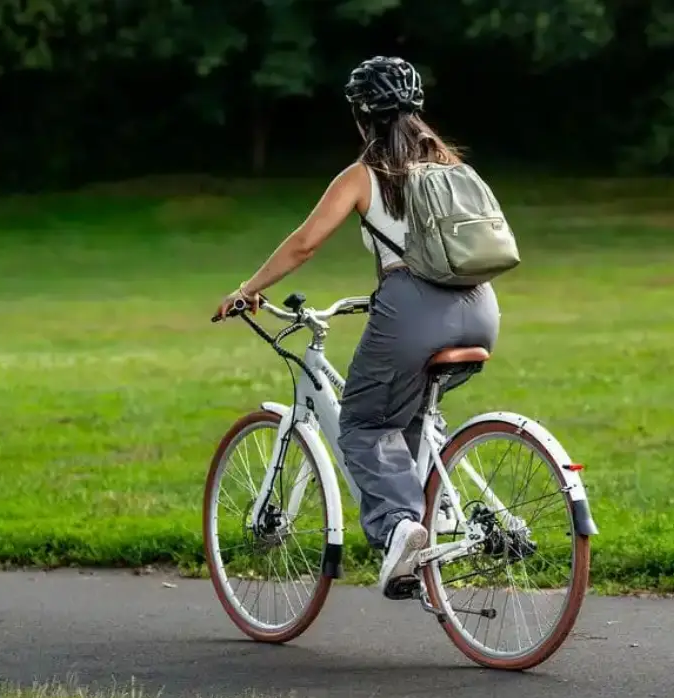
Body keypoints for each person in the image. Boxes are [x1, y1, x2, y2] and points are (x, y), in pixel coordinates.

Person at [212, 56, 500, 598]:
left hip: (412, 310)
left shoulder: (364, 175)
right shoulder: (453, 166)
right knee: (409, 416)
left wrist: (247, 290)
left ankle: (400, 529)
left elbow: (304, 244)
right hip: (482, 309)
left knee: (364, 424)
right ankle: (436, 510)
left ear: (360, 115)